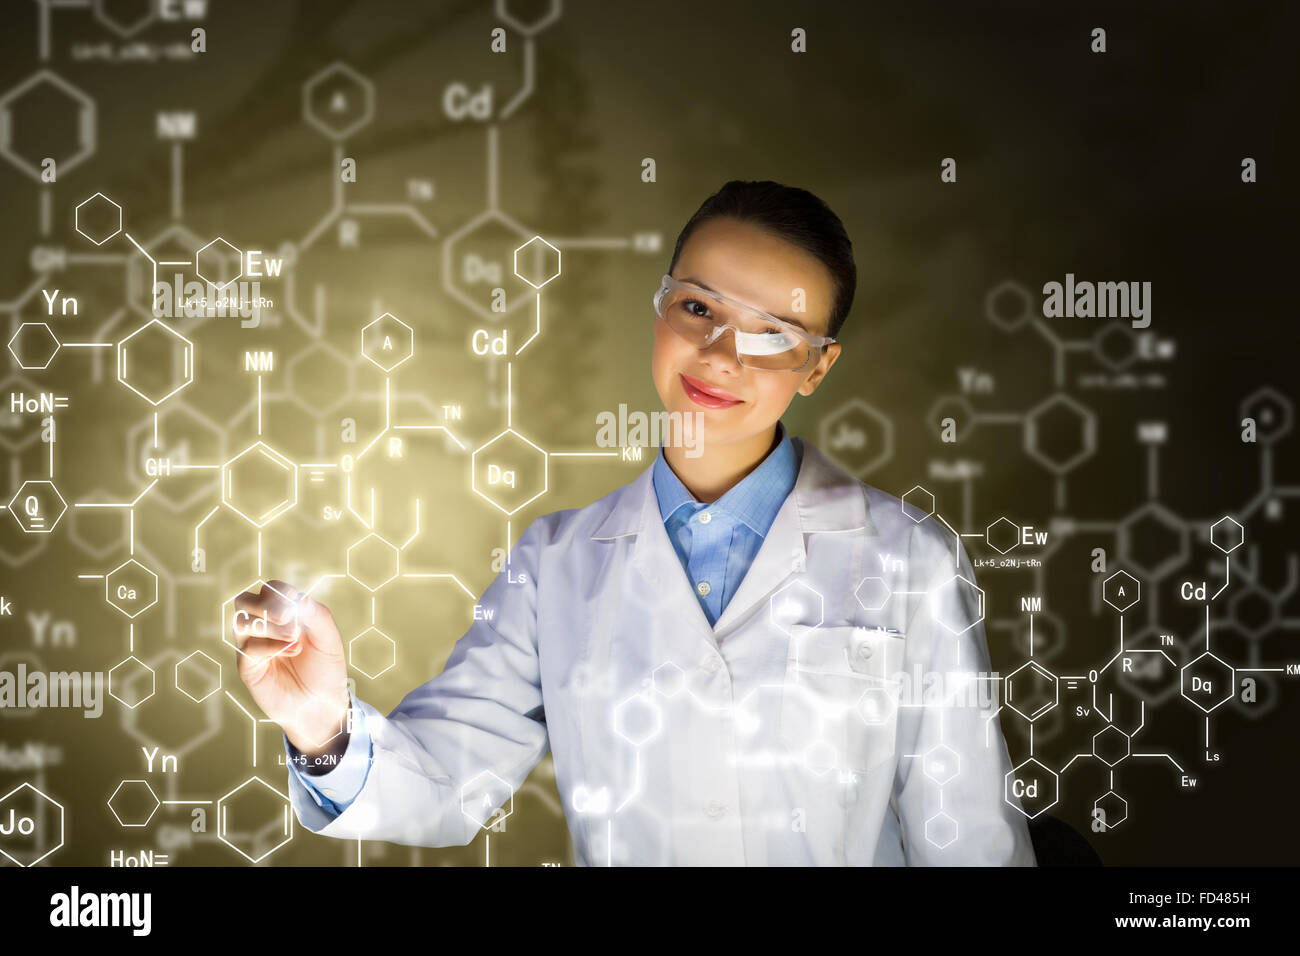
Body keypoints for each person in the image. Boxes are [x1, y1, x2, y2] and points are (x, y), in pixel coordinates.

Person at [233, 179, 1036, 866]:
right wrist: (323, 729)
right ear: (659, 306)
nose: (722, 355)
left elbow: (964, 834)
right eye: (698, 308)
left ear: (818, 366)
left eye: (773, 335)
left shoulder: (906, 557)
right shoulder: (556, 563)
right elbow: (451, 780)